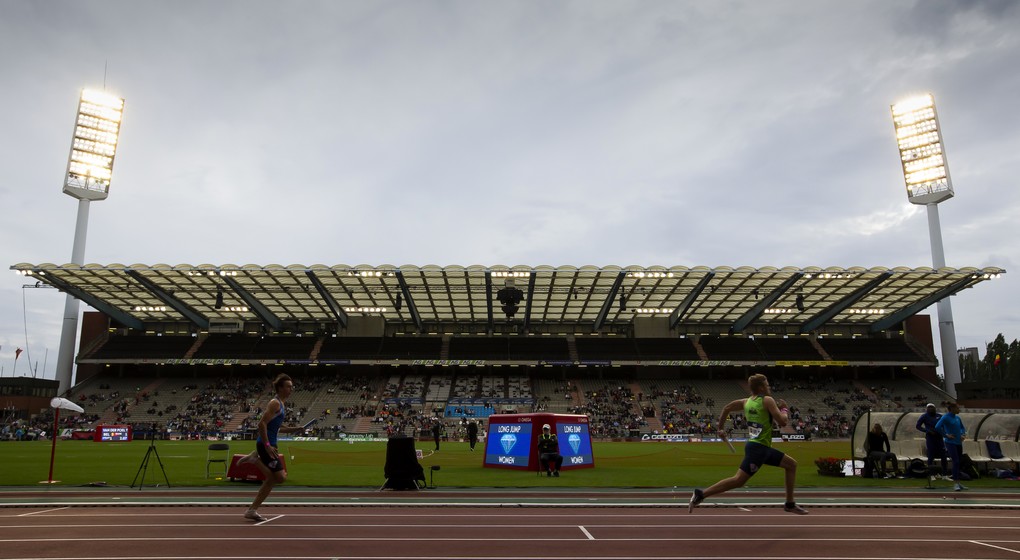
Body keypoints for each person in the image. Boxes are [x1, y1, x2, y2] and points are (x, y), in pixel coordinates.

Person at [688, 373, 807, 514]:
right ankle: (701, 494)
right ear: (762, 387)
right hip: (759, 449)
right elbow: (783, 422)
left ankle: (790, 503)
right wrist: (784, 409)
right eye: (767, 384)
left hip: (758, 447)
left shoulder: (746, 401)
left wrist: (720, 428)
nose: (769, 387)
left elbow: (727, 407)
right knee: (738, 480)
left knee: (791, 465)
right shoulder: (767, 400)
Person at [239, 373, 303, 521]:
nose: (291, 389)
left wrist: (295, 429)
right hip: (266, 444)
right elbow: (262, 424)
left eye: (292, 387)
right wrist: (267, 445)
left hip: (270, 444)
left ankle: (252, 510)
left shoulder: (281, 404)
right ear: (280, 388)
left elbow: (278, 428)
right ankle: (255, 459)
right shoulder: (275, 403)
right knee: (280, 477)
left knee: (272, 480)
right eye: (288, 386)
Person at [935, 402, 968, 491]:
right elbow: (937, 427)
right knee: (956, 461)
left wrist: (963, 435)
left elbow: (962, 428)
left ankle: (958, 482)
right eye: (957, 408)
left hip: (958, 443)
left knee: (959, 462)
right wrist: (946, 435)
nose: (959, 410)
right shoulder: (945, 417)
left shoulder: (957, 418)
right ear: (952, 409)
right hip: (950, 443)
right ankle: (955, 483)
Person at [915, 403, 948, 476]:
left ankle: (945, 474)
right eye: (929, 407)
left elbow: (944, 425)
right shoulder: (924, 416)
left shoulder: (939, 416)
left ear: (935, 408)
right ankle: (931, 474)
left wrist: (944, 433)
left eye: (932, 407)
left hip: (939, 438)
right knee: (931, 455)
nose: (931, 409)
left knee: (943, 455)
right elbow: (918, 426)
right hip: (930, 438)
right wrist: (927, 431)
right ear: (926, 409)